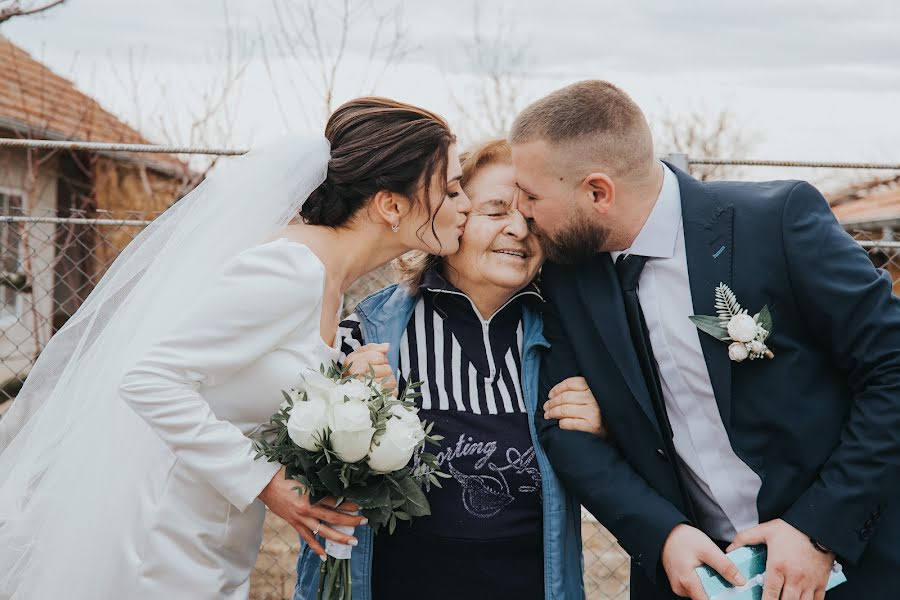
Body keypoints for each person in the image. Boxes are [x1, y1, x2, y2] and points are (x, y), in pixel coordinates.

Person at [0, 97, 472, 599]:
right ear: (392, 205)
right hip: (159, 531)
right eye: (451, 188)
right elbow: (149, 379)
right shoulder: (290, 271)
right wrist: (266, 481)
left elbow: (258, 374)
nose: (465, 203)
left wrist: (342, 377)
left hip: (213, 527)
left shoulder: (330, 280)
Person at [510, 79, 900, 600]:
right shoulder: (567, 278)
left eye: (532, 195)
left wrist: (817, 529)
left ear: (597, 192)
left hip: (852, 564)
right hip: (689, 581)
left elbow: (892, 368)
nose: (522, 212)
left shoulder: (777, 222)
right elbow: (565, 429)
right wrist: (662, 534)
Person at [294, 139, 598, 600]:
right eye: (495, 211)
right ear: (452, 217)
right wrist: (343, 406)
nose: (518, 228)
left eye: (531, 217)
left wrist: (605, 425)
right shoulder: (366, 336)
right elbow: (303, 471)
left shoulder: (570, 343)